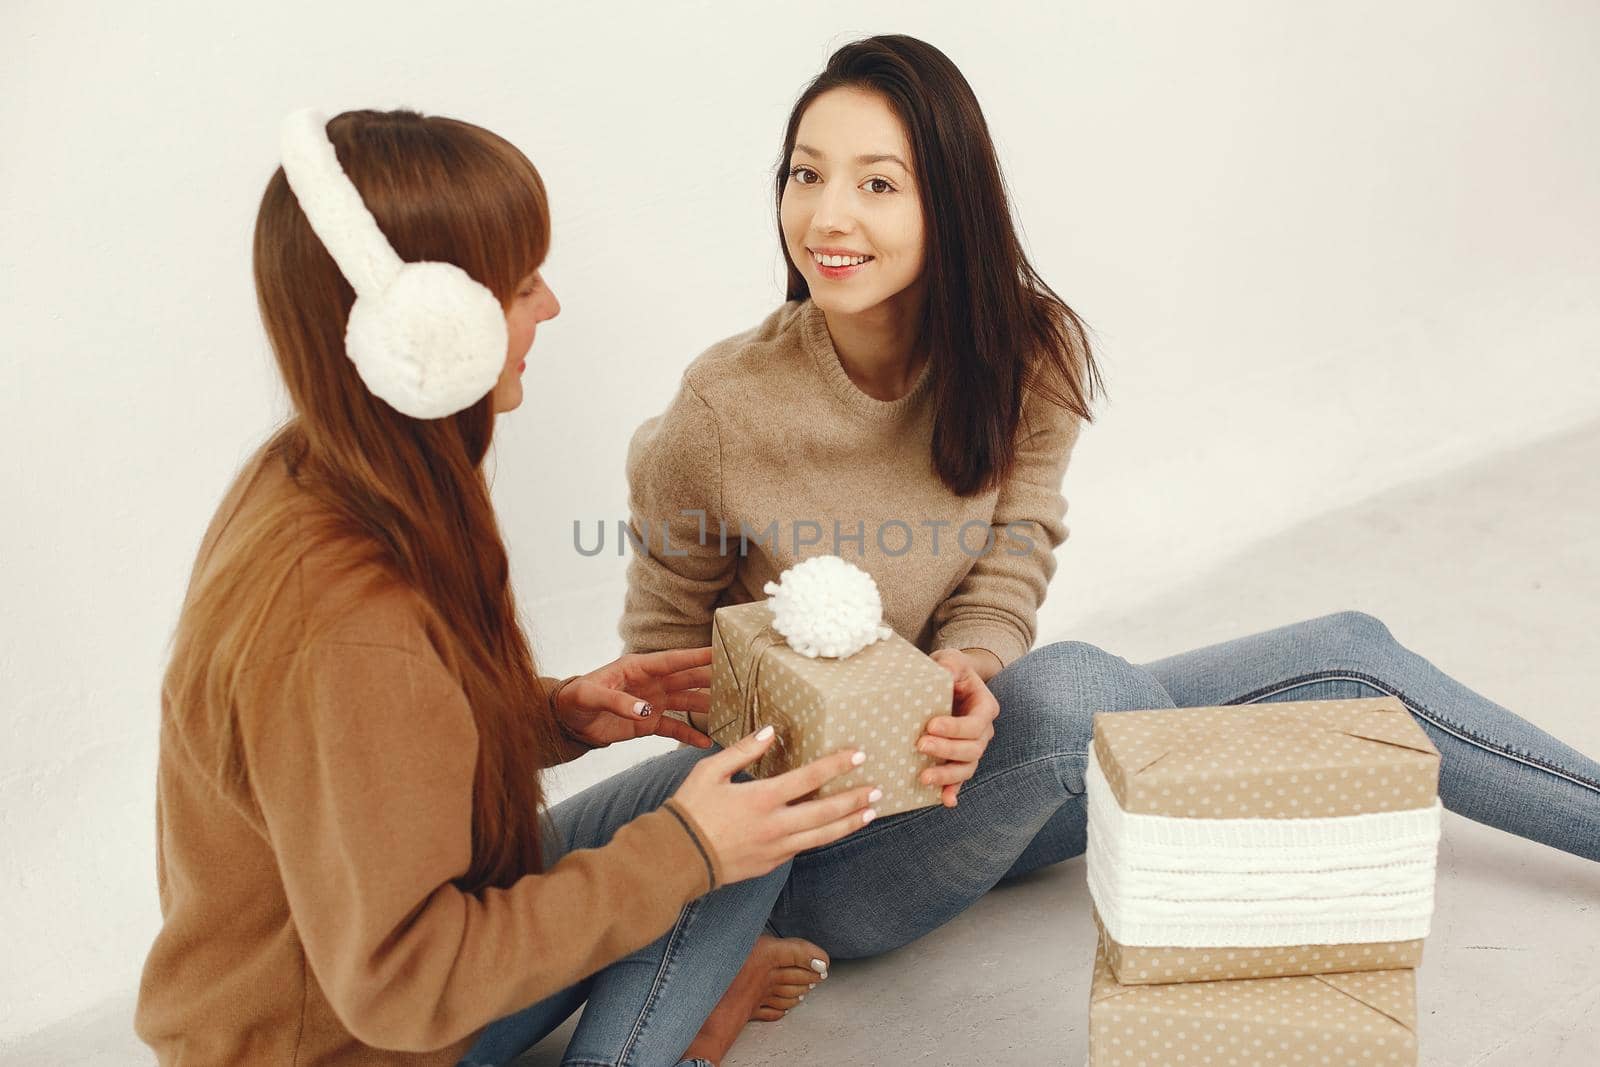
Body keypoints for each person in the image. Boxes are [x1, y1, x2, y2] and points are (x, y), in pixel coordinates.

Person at [621, 34, 1600, 977]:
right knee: (1077, 689)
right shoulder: (721, 407)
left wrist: (962, 671)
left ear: (950, 204)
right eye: (804, 174)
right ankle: (1247, 875)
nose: (827, 215)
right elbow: (664, 678)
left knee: (1344, 651)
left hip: (985, 776)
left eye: (876, 182)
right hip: (830, 858)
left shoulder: (1024, 352)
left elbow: (1009, 561)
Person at [134, 107, 882, 1067]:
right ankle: (690, 1031)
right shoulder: (345, 620)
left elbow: (369, 757)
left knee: (737, 793)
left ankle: (702, 974)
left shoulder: (329, 476)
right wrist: (685, 854)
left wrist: (552, 713)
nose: (552, 306)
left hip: (376, 1000)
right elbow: (405, 984)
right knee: (708, 836)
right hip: (346, 1044)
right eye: (523, 282)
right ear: (430, 328)